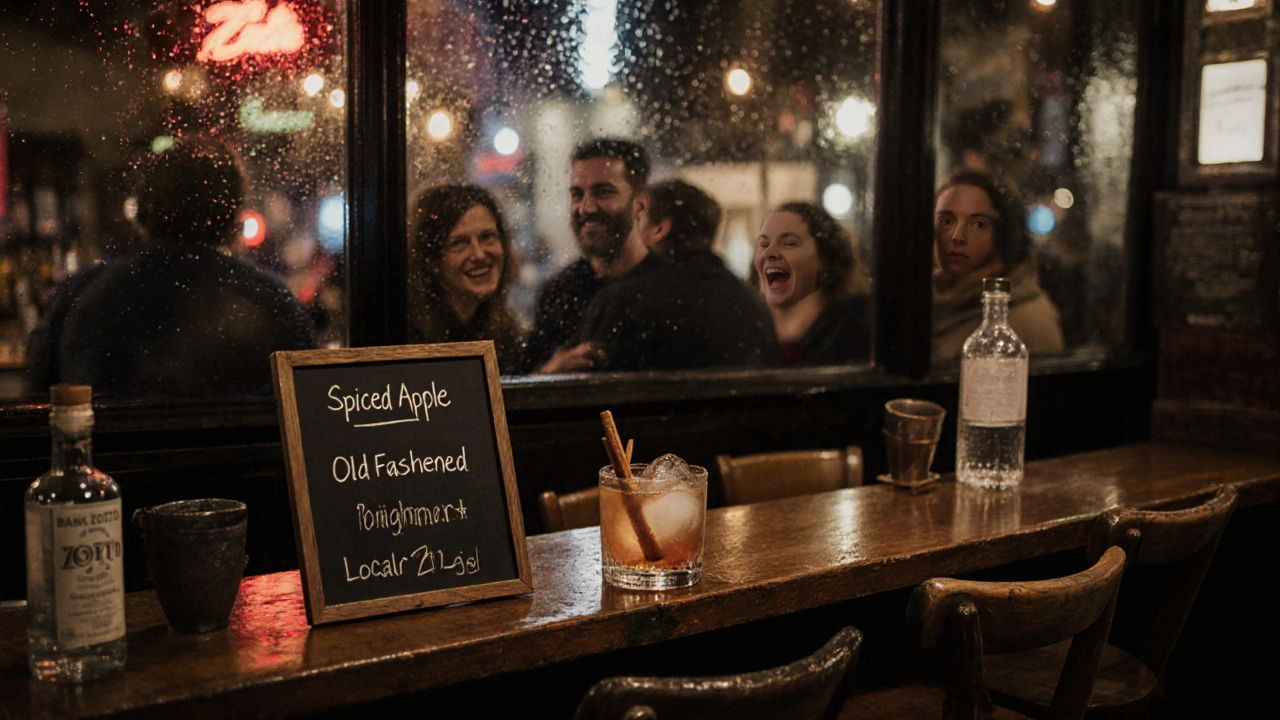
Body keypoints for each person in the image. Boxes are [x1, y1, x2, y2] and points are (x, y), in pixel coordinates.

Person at [26, 141, 316, 396]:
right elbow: (307, 413)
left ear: (143, 208)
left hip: (103, 459)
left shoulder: (78, 296)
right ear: (231, 215)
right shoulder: (273, 303)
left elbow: (39, 410)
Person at [576, 179, 779, 370]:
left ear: (659, 229)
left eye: (637, 218)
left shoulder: (625, 301)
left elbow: (593, 393)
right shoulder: (751, 303)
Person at [517, 138, 678, 374]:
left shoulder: (670, 292)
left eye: (603, 192)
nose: (586, 208)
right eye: (576, 194)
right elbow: (524, 384)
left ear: (640, 205)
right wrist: (547, 375)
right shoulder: (559, 292)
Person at [931, 171, 1064, 360]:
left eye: (977, 224)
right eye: (946, 221)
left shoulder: (1027, 320)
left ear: (1002, 234)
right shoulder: (929, 298)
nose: (957, 236)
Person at [408, 184, 524, 369]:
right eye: (458, 243)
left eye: (487, 237)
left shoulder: (505, 334)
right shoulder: (409, 341)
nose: (478, 254)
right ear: (432, 260)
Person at [752, 202, 871, 366]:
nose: (769, 253)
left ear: (824, 258)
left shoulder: (856, 330)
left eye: (789, 243)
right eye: (763, 244)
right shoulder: (743, 330)